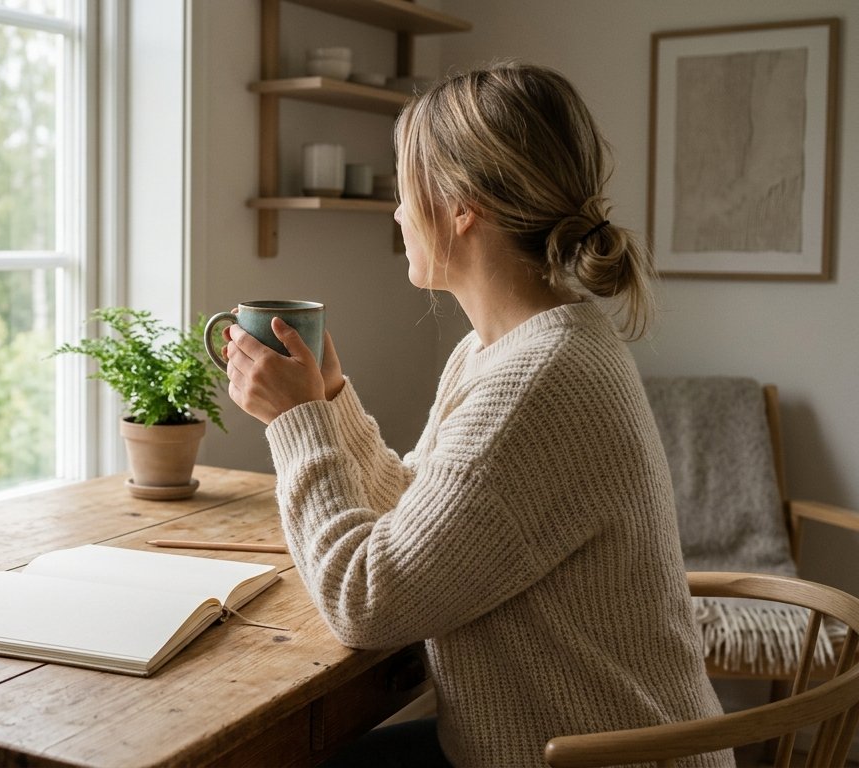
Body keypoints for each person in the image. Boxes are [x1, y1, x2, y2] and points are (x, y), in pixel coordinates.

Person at [220, 62, 731, 767]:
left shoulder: (540, 379)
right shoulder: (505, 347)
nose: (397, 213)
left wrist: (295, 423)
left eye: (403, 189)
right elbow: (419, 515)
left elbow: (368, 605)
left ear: (461, 207)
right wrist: (331, 403)